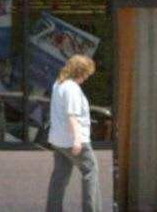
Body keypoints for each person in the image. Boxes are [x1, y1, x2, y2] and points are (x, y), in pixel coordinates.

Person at [46, 55, 100, 212]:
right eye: (86, 74)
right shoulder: (72, 88)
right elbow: (72, 115)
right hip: (74, 140)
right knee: (91, 171)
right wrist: (77, 139)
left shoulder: (58, 84)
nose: (86, 78)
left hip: (58, 140)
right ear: (79, 72)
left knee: (60, 177)